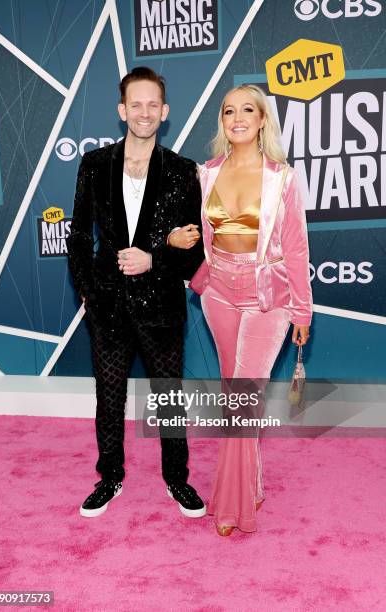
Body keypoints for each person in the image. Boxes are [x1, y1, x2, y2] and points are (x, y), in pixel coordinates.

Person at [169, 84, 312, 535]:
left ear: (262, 119)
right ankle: (247, 488)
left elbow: (296, 247)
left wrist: (302, 311)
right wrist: (179, 242)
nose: (237, 117)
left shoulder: (283, 178)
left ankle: (231, 507)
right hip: (219, 296)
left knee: (242, 402)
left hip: (267, 296)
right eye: (229, 110)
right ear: (223, 122)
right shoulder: (206, 173)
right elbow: (197, 235)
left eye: (247, 109)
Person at [67, 66, 205, 519]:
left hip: (161, 305)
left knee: (167, 394)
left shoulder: (184, 172)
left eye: (153, 105)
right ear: (122, 110)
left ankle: (177, 479)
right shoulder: (94, 165)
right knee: (108, 396)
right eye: (136, 104)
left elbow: (192, 249)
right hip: (106, 305)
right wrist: (86, 289)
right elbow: (77, 237)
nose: (144, 113)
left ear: (164, 112)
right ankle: (109, 476)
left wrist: (153, 259)